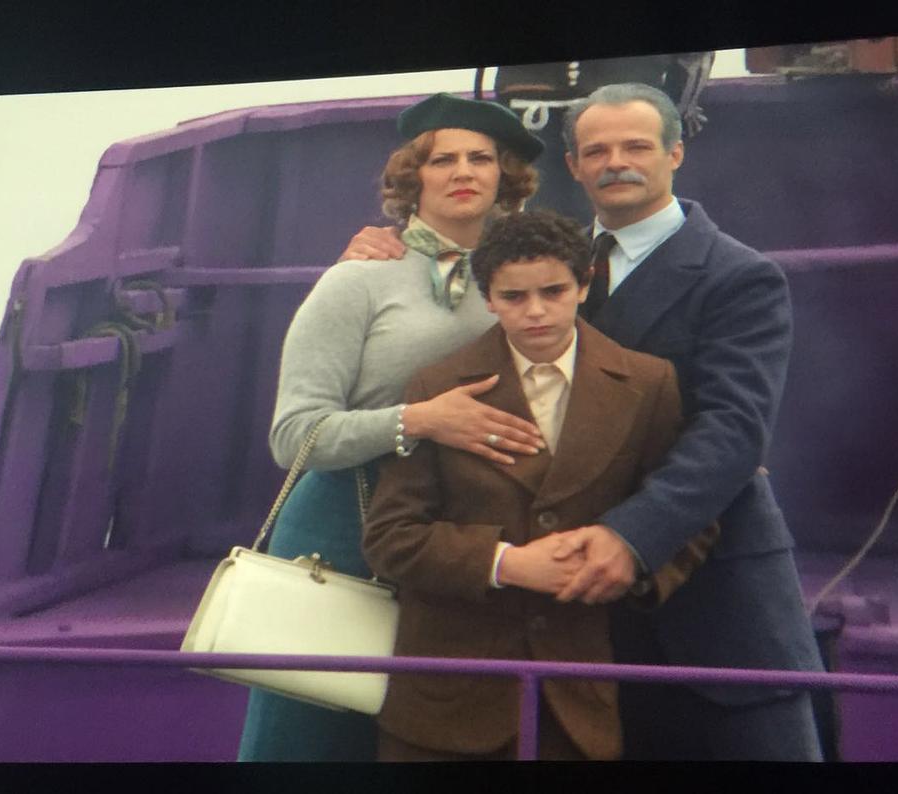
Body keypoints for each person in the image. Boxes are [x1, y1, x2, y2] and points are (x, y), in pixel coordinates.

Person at [340, 82, 824, 761]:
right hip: (574, 627)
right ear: (573, 165)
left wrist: (631, 538)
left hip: (703, 593)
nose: (615, 162)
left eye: (636, 146)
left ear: (676, 153)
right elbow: (465, 258)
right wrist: (388, 245)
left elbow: (733, 434)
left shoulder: (739, 277)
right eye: (596, 150)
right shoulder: (551, 261)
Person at [236, 93, 548, 762]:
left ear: (505, 176)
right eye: (442, 160)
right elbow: (295, 435)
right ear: (414, 177)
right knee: (310, 742)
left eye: (480, 158)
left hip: (455, 543)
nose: (462, 172)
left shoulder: (523, 282)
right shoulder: (358, 280)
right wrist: (422, 420)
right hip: (343, 535)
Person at [360, 209, 720, 761]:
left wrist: (630, 559)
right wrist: (507, 563)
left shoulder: (649, 383)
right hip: (444, 706)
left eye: (553, 291)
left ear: (584, 285)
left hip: (575, 703)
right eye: (513, 296)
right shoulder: (437, 385)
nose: (535, 312)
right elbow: (390, 538)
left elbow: (690, 516)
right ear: (488, 298)